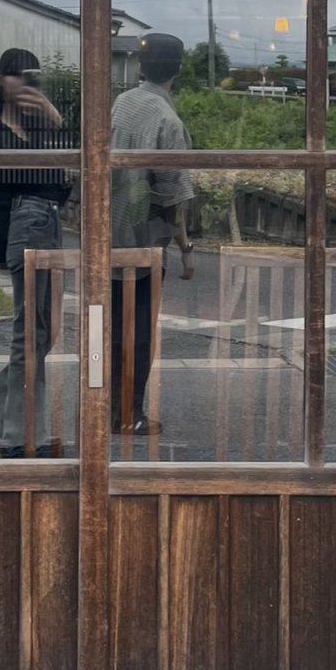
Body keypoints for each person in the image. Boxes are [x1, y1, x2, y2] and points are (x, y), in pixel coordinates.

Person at [0, 48, 72, 457]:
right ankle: (17, 436)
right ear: (1, 80)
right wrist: (1, 246)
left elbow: (67, 171)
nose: (23, 82)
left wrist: (54, 118)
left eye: (30, 75)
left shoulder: (39, 125)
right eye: (16, 75)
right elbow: (8, 193)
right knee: (28, 334)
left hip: (48, 222)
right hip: (27, 223)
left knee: (45, 330)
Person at [110, 33, 195, 435]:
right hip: (145, 238)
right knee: (140, 330)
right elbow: (174, 195)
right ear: (178, 69)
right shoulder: (169, 121)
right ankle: (131, 413)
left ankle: (108, 407)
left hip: (107, 229)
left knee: (111, 324)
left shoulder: (121, 103)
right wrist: (186, 249)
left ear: (140, 67)